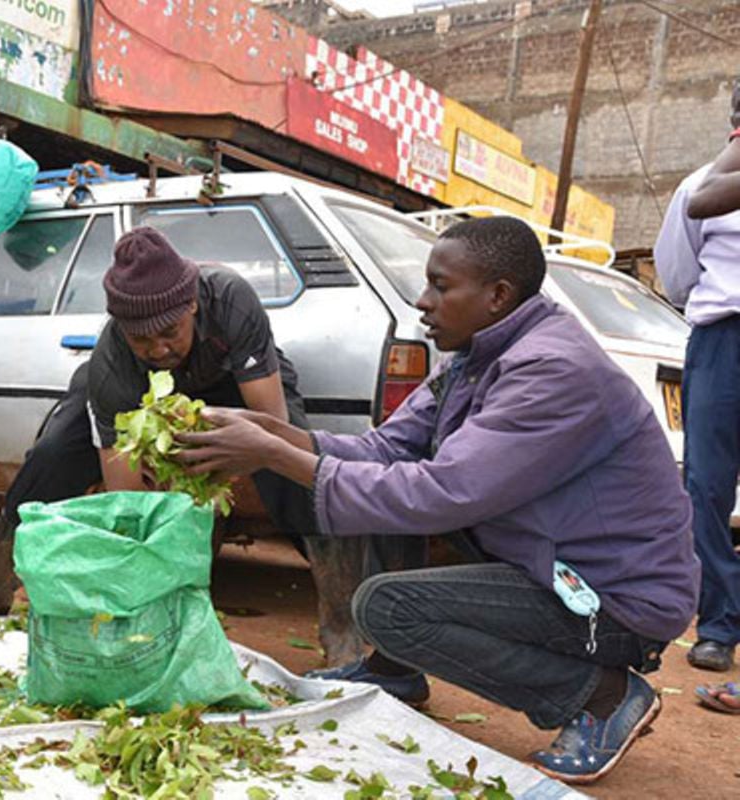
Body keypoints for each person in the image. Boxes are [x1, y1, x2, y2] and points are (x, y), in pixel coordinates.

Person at [176, 217, 699, 784]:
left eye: (440, 286)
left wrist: (274, 457)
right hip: (550, 560)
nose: (423, 302)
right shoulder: (478, 355)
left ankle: (603, 695)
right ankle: (393, 671)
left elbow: (443, 493)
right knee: (381, 487)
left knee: (388, 607)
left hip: (615, 596)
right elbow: (382, 449)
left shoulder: (552, 370)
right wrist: (270, 432)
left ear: (497, 296)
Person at [0, 227, 395, 664]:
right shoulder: (113, 363)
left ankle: (344, 636)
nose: (157, 349)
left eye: (169, 333)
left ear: (191, 306)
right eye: (141, 340)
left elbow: (270, 423)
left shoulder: (230, 300)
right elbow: (127, 499)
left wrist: (211, 469)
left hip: (237, 389)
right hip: (145, 400)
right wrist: (165, 496)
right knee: (51, 457)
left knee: (298, 470)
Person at [653, 81, 740, 708]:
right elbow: (677, 275)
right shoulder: (698, 188)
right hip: (722, 343)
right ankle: (719, 628)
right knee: (707, 484)